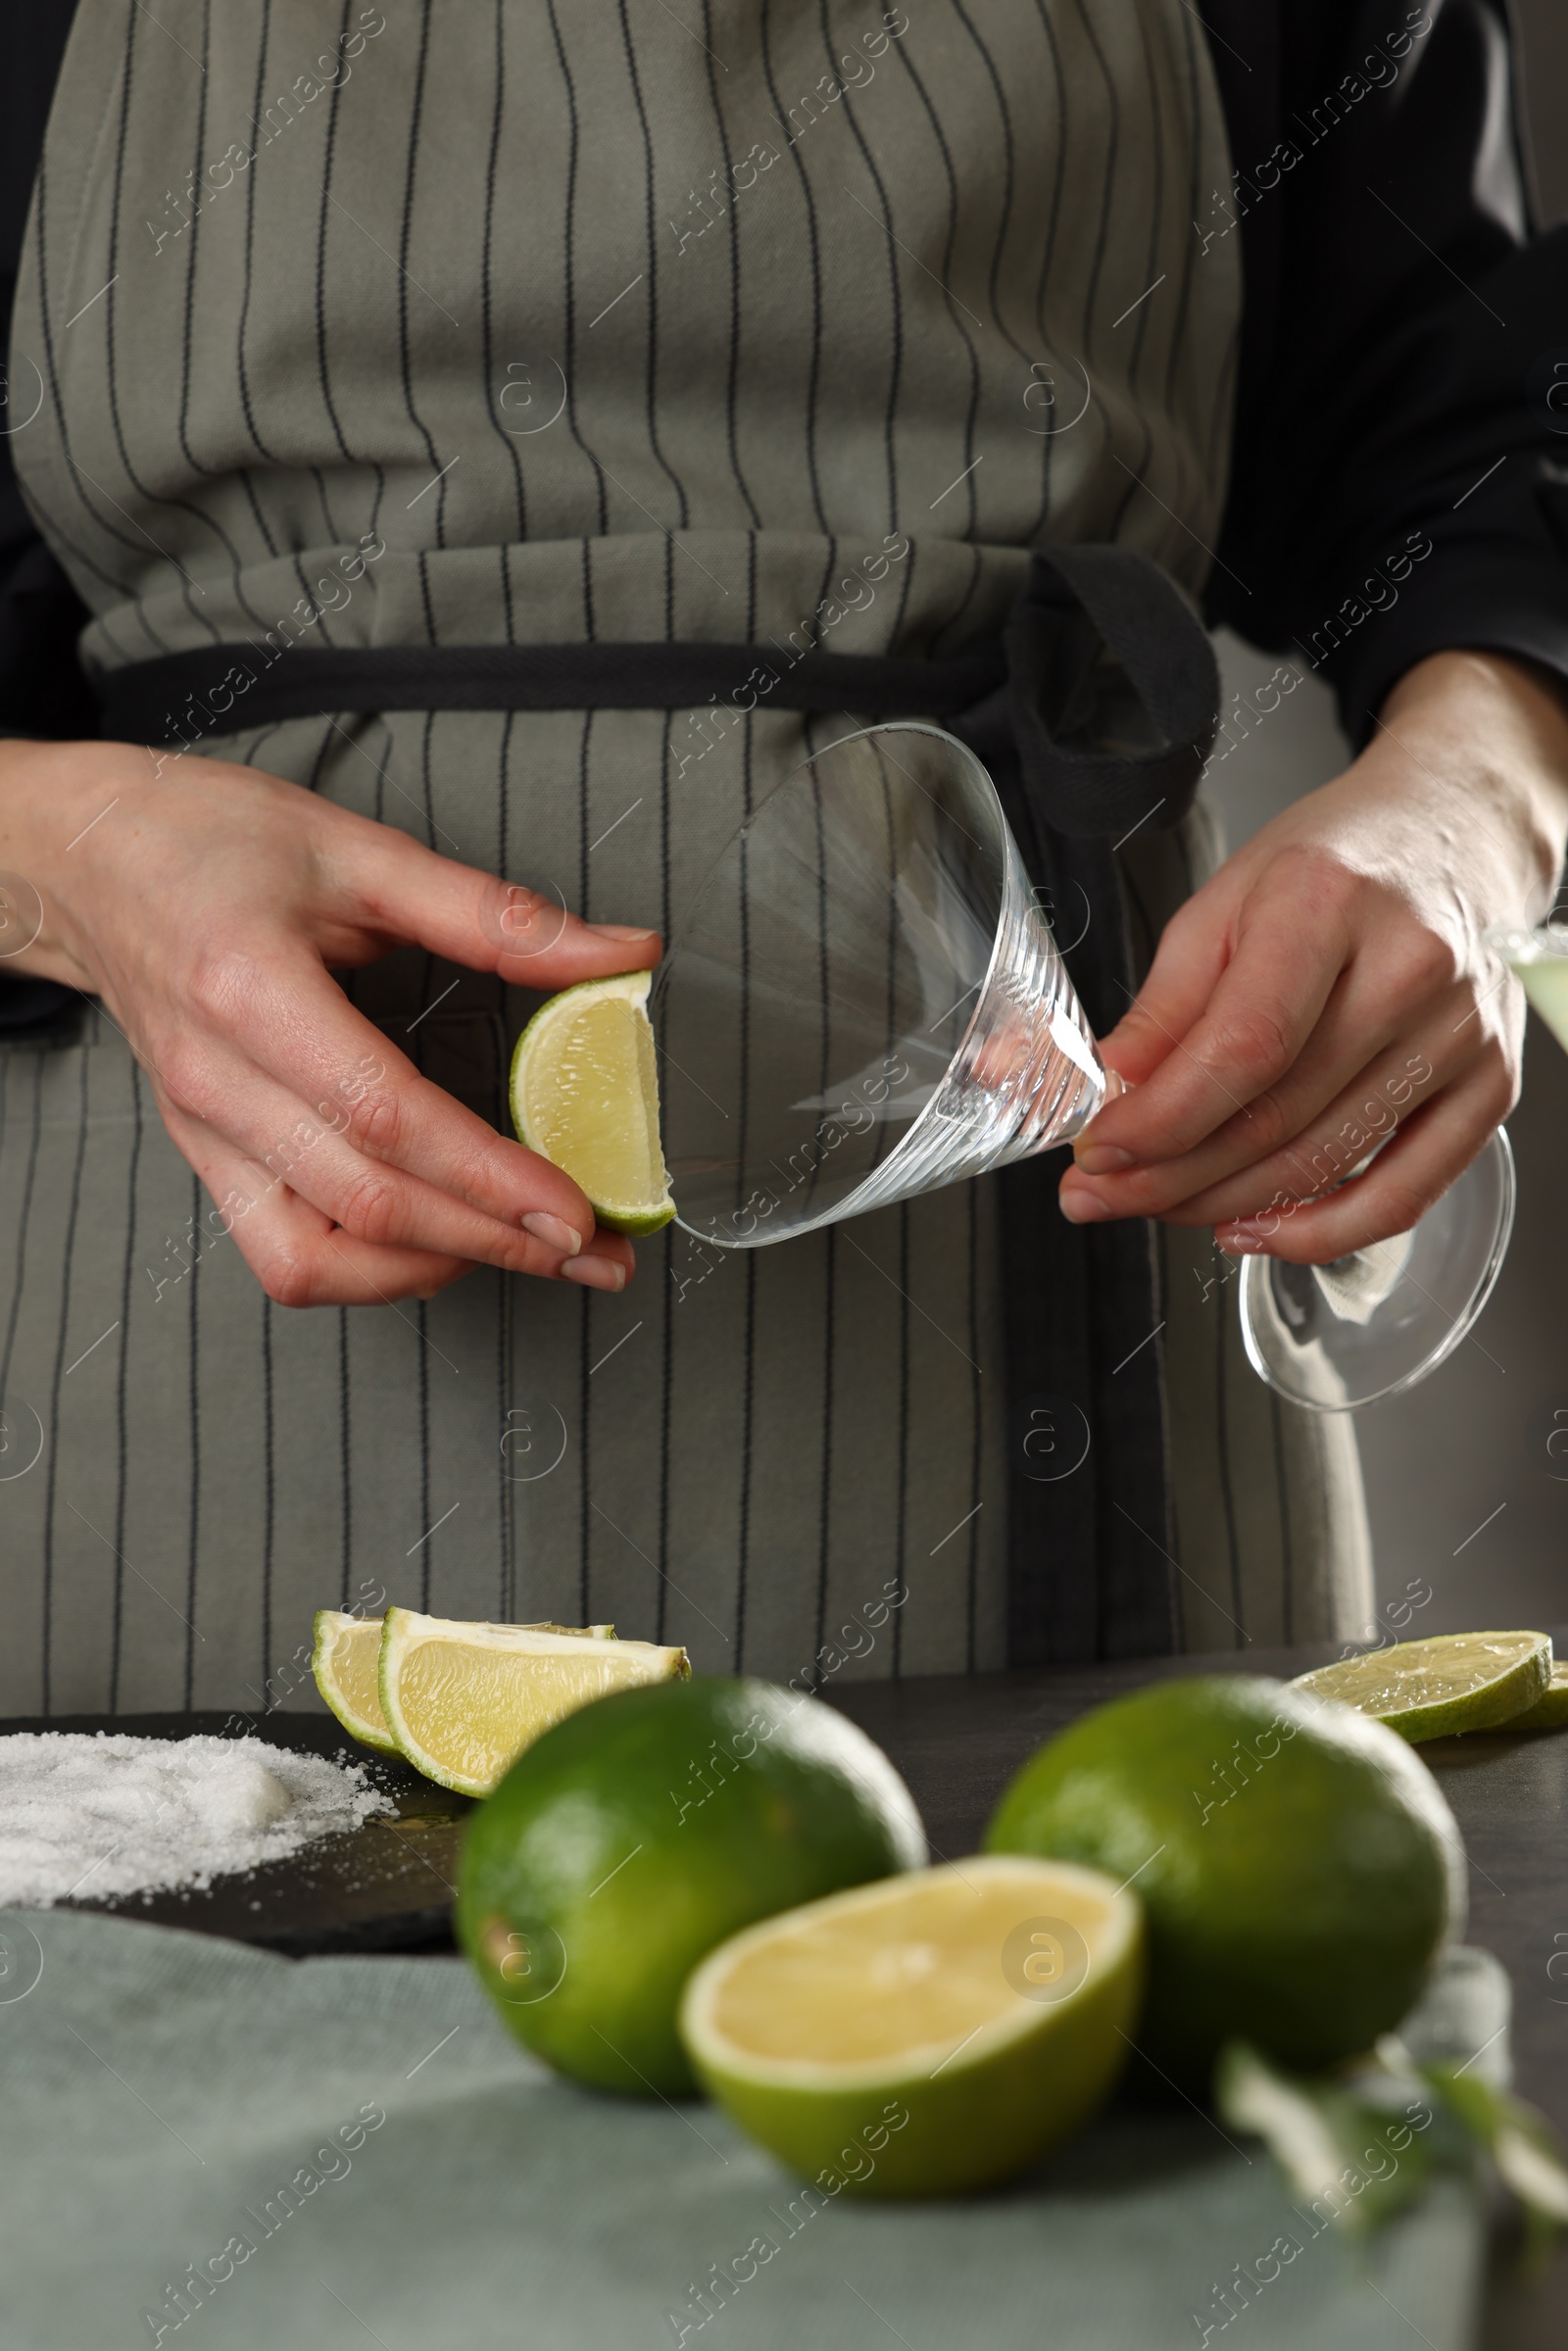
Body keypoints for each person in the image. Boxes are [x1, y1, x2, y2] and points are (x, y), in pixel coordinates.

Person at [0, 0, 1564, 1716]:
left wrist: (1463, 828)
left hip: (1062, 1345)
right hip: (210, 1328)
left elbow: (1480, 453)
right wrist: (69, 861)